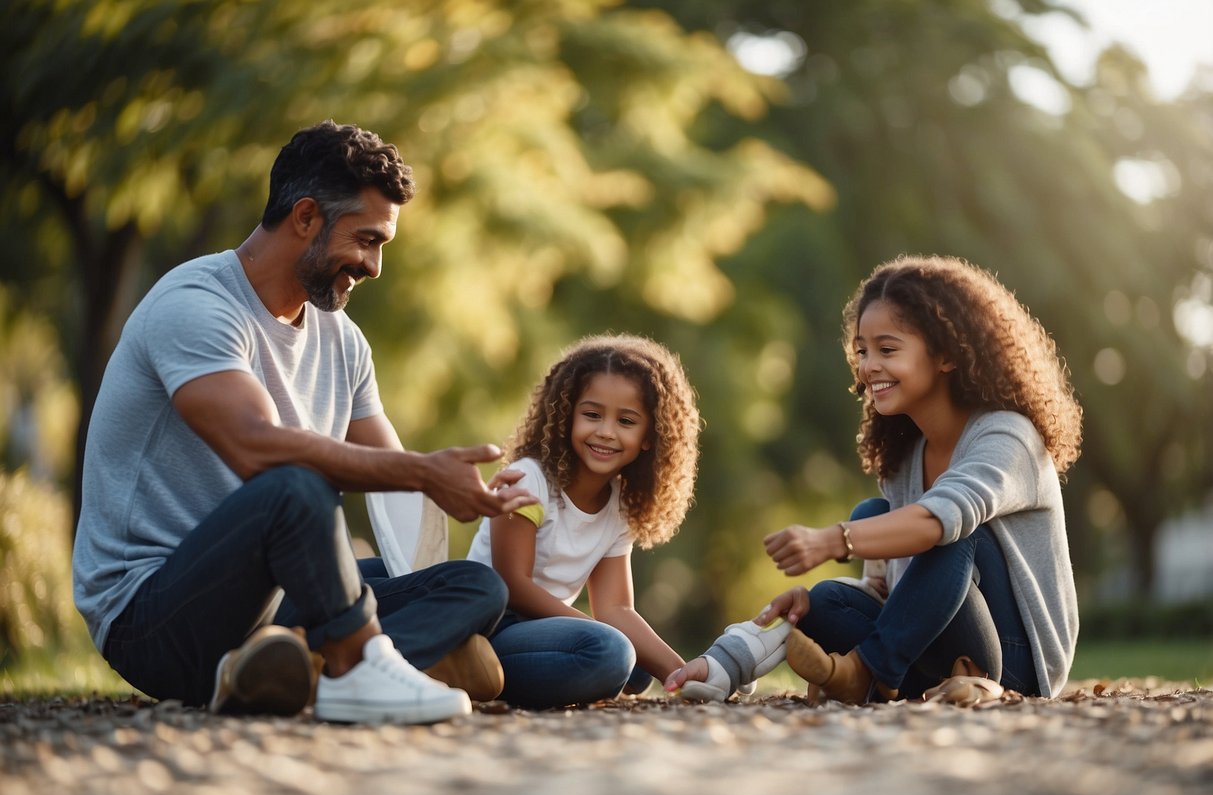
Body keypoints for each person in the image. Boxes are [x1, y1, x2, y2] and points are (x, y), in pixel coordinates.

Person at [71, 120, 536, 724]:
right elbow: (256, 449)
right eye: (366, 240)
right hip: (152, 616)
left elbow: (392, 473)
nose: (372, 265)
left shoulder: (342, 342)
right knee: (296, 482)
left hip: (265, 605)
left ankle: (302, 671)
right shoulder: (194, 307)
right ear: (307, 217)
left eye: (381, 246)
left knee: (474, 587)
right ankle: (363, 663)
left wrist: (461, 488)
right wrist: (425, 472)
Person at [667, 254, 1082, 703]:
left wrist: (834, 540)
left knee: (949, 531)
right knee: (825, 598)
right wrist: (757, 640)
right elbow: (895, 596)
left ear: (945, 353)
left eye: (887, 350)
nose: (868, 367)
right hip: (932, 657)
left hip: (1015, 666)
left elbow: (940, 524)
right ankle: (875, 672)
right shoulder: (907, 456)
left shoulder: (1007, 435)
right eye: (862, 351)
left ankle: (865, 671)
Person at [465, 334, 701, 708]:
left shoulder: (619, 505)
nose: (606, 431)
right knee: (611, 650)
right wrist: (597, 631)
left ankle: (563, 671)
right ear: (565, 417)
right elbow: (513, 586)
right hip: (489, 625)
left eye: (626, 421)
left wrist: (683, 672)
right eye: (592, 415)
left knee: (636, 664)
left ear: (648, 437)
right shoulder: (529, 479)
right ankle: (467, 671)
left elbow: (616, 608)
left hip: (543, 630)